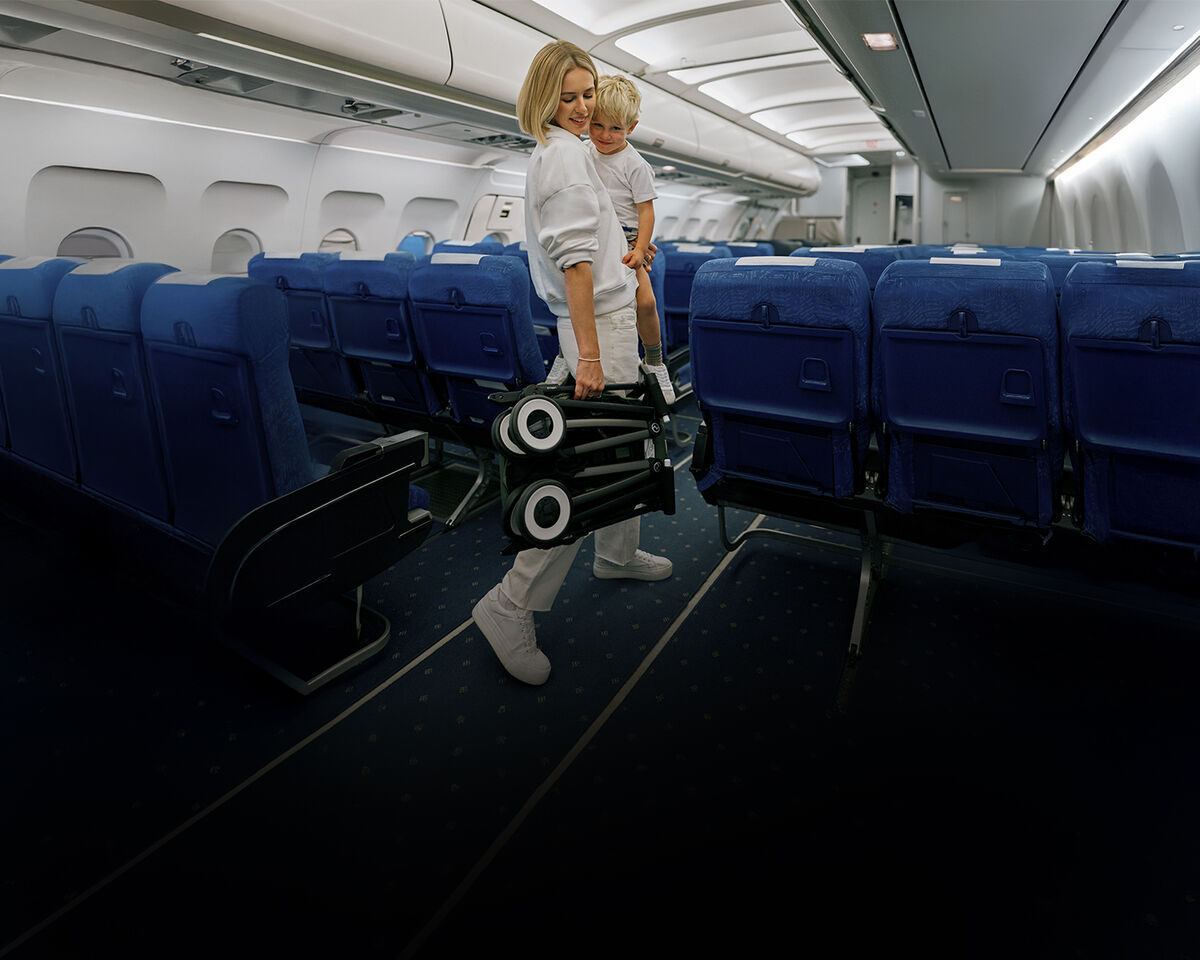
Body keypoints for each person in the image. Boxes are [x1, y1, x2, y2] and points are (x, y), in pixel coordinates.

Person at [472, 40, 672, 687]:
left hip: (606, 324)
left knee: (625, 451)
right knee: (586, 473)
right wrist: (588, 352)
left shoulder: (576, 150)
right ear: (544, 99)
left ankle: (616, 554)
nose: (584, 107)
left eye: (589, 93)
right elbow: (575, 265)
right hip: (600, 331)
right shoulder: (562, 159)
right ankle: (509, 604)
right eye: (569, 96)